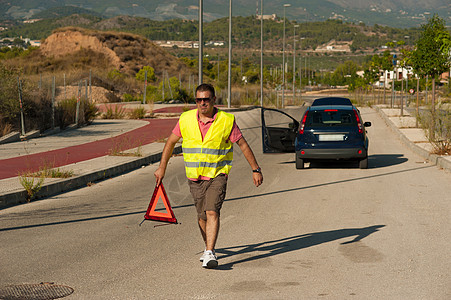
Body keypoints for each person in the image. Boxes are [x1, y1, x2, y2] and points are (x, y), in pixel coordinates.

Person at [154, 83, 263, 269]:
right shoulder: (185, 119)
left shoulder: (226, 120)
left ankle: (210, 252)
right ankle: (208, 249)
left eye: (206, 99)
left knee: (212, 211)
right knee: (202, 216)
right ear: (195, 101)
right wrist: (161, 168)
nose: (203, 103)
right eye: (199, 100)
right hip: (195, 177)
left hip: (217, 175)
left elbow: (242, 144)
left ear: (214, 100)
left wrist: (255, 169)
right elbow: (170, 143)